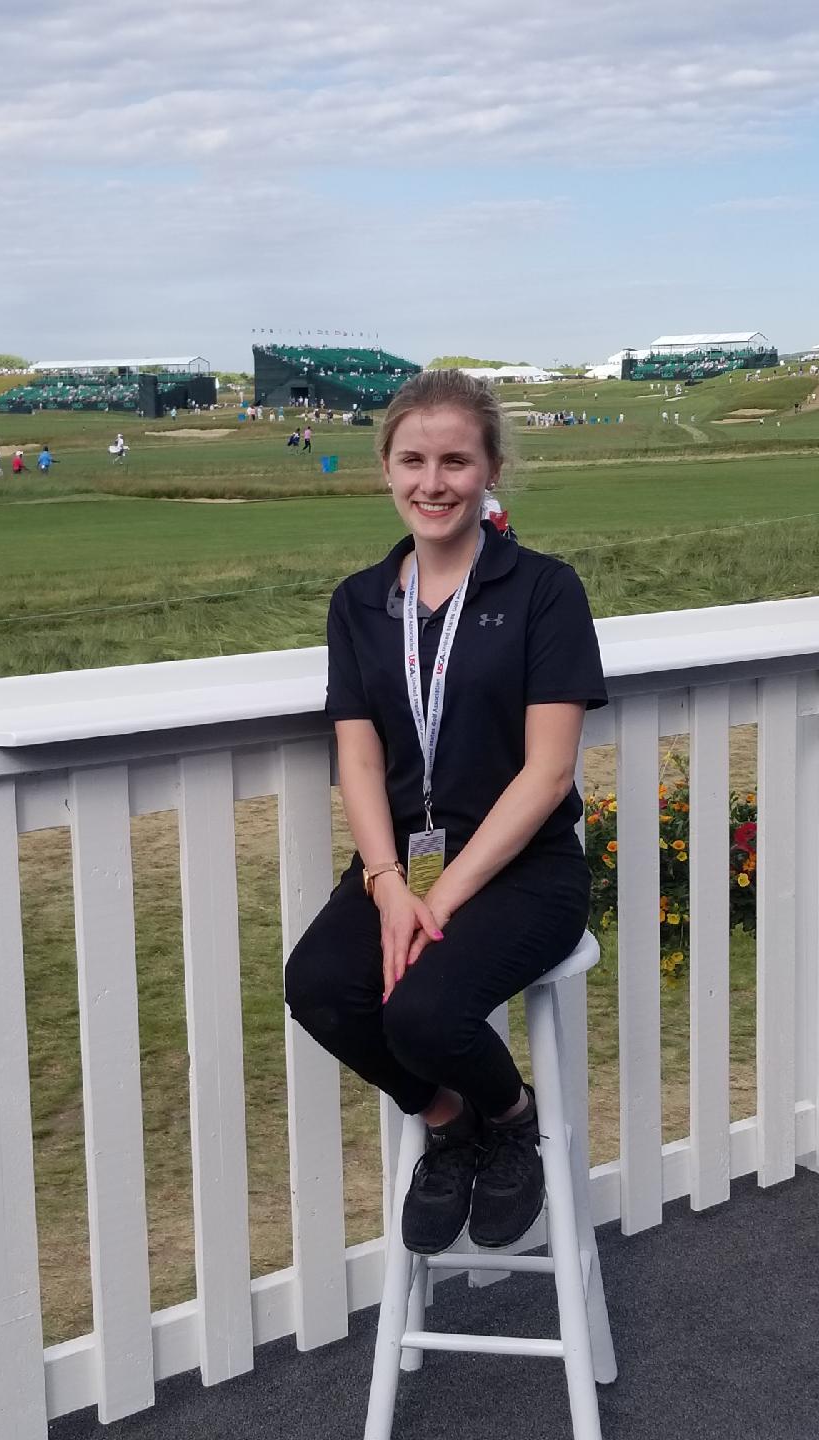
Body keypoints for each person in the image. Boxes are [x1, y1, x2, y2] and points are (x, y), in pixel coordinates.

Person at [284, 369, 606, 1257]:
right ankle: (451, 1119)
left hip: (524, 867)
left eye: (456, 460)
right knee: (316, 987)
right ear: (385, 468)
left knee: (422, 1014)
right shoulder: (358, 602)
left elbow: (546, 775)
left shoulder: (544, 590)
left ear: (491, 467)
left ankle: (514, 1119)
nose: (435, 482)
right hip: (402, 868)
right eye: (414, 459)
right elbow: (357, 753)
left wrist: (443, 898)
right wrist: (389, 886)